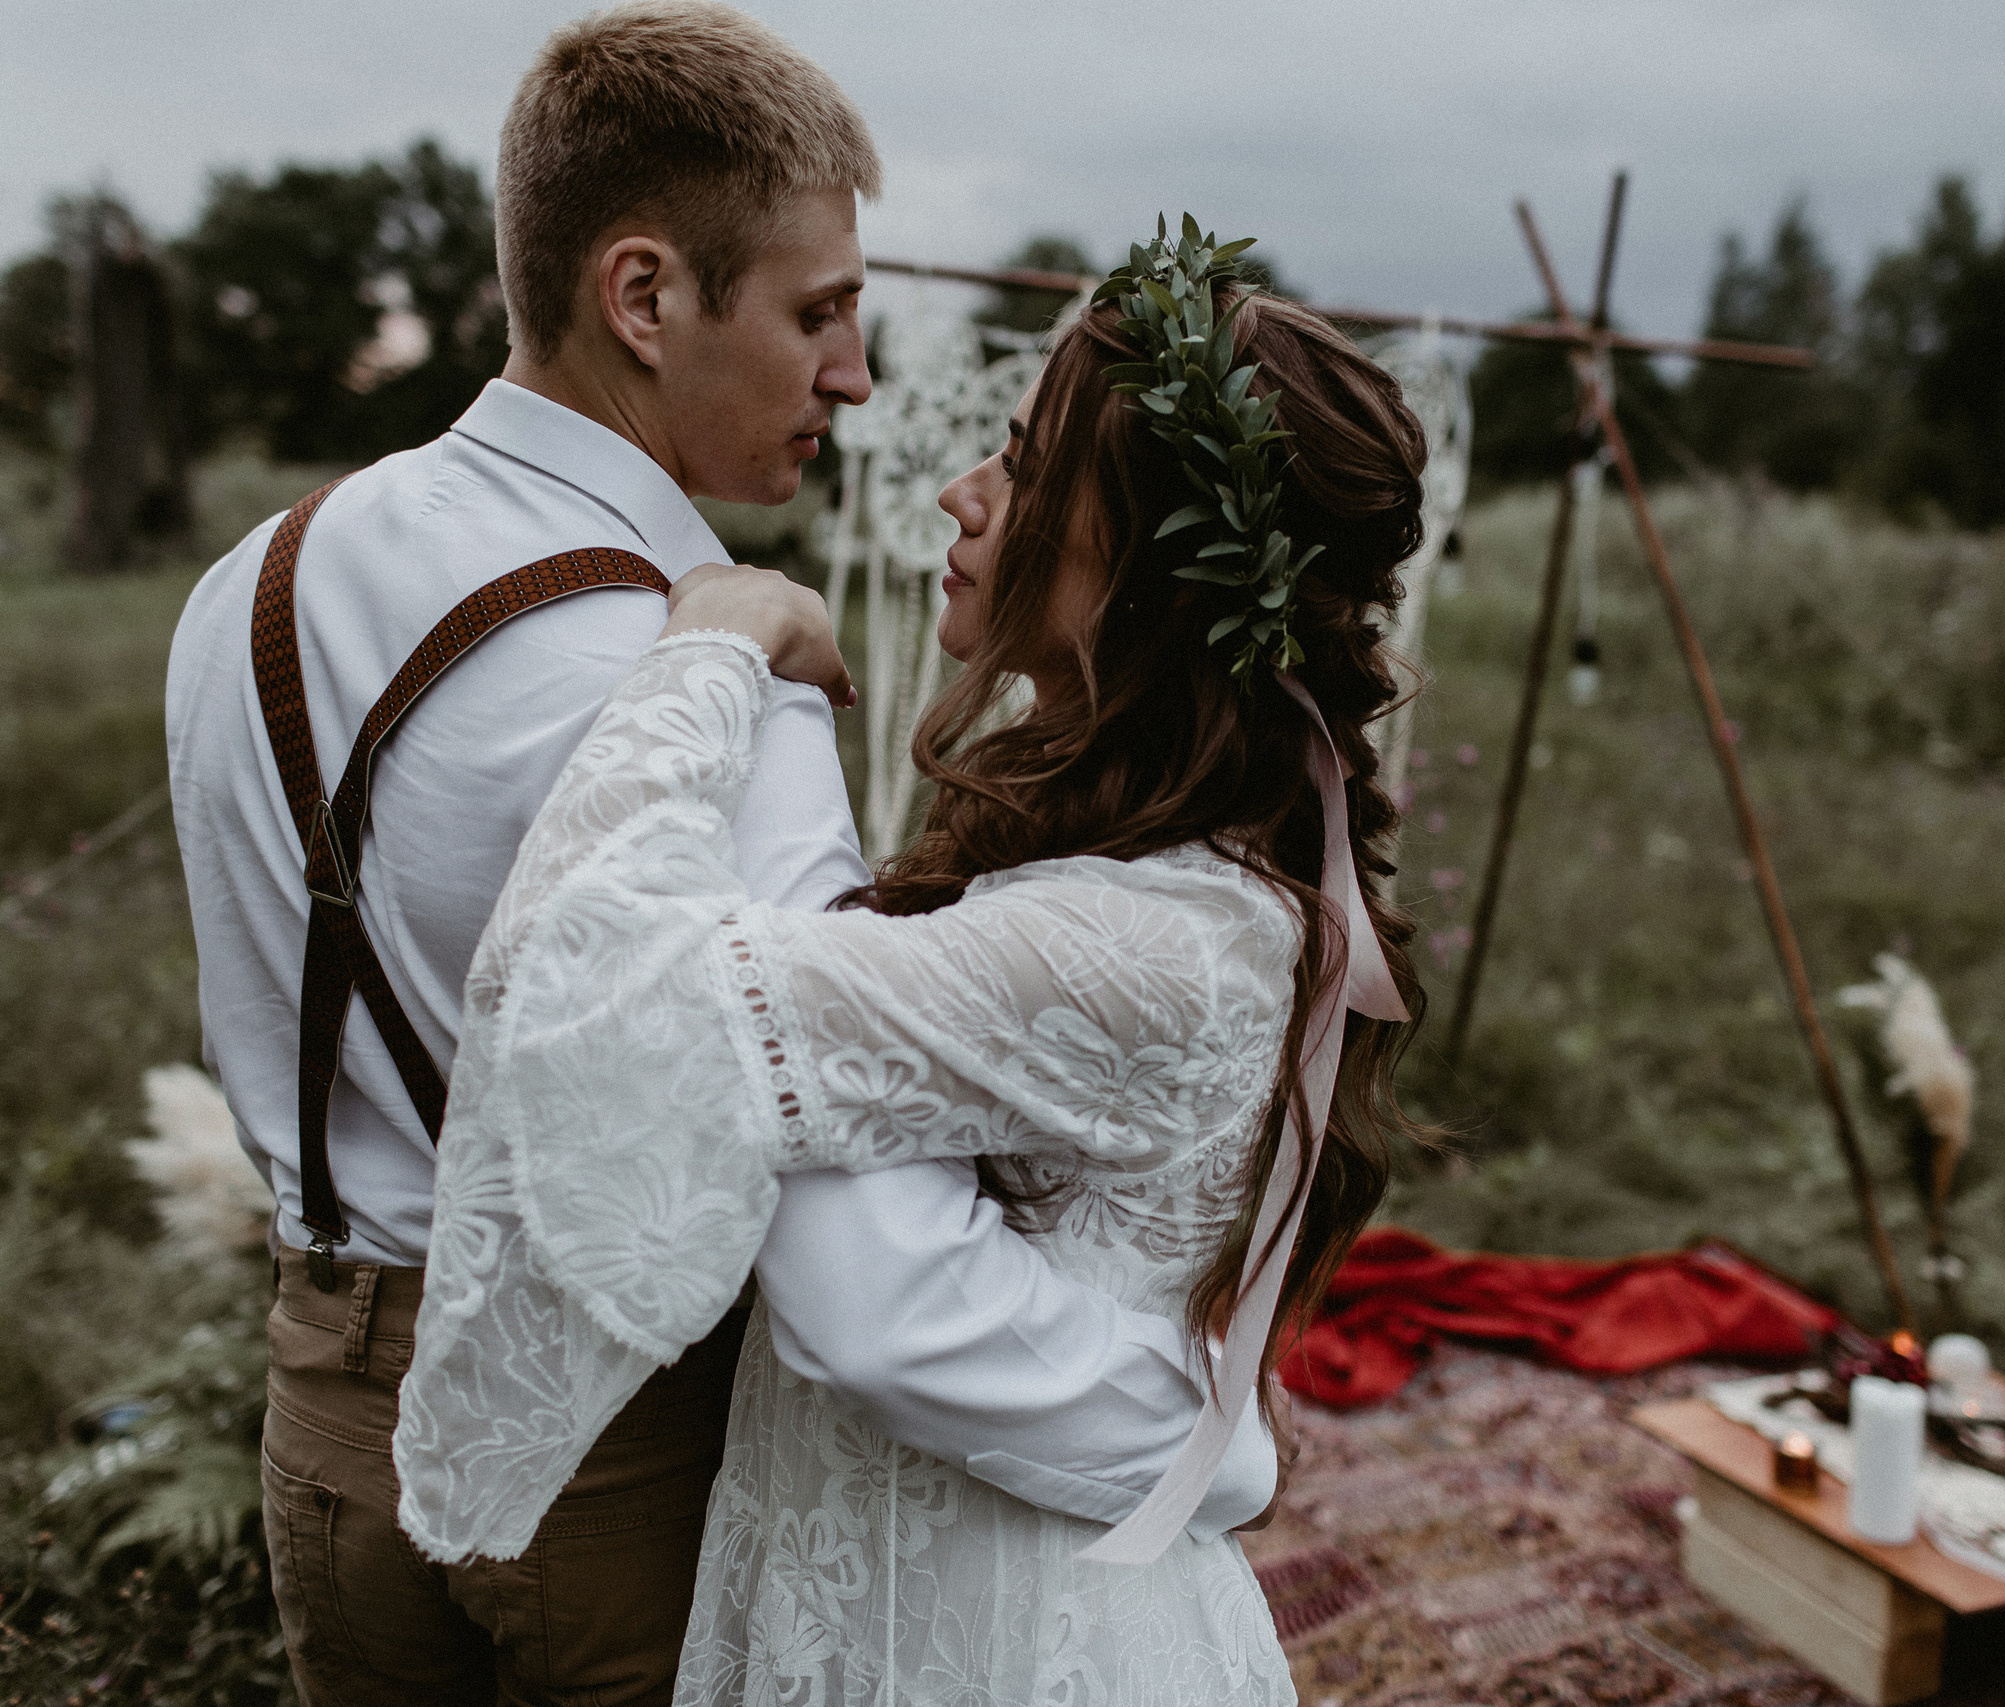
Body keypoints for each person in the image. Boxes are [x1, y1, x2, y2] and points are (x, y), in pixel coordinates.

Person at [165, 10, 1277, 1704]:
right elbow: (848, 1218)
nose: (857, 377)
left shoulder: (246, 586)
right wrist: (1209, 1441)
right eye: (821, 313)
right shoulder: (715, 677)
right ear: (643, 296)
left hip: (318, 1424)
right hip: (614, 1463)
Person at [395, 225, 1429, 1703]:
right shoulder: (1163, 879)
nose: (961, 490)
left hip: (991, 1630)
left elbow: (649, 1010)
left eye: (1017, 467)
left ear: (1136, 560)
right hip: (923, 1574)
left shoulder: (1144, 942)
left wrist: (722, 657)